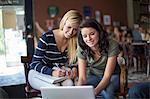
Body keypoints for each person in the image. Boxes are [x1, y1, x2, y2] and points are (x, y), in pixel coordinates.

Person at [28, 10, 82, 90]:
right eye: (69, 27)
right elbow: (34, 63)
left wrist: (74, 68)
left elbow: (73, 62)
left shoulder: (74, 41)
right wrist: (52, 72)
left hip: (59, 75)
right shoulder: (47, 37)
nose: (71, 32)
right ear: (63, 23)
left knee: (70, 84)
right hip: (39, 74)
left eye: (75, 29)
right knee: (55, 88)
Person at [77, 19, 120, 99]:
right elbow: (82, 78)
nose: (88, 39)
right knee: (82, 91)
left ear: (99, 32)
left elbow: (107, 76)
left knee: (108, 94)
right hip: (93, 75)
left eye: (92, 34)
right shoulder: (82, 48)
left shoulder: (112, 44)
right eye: (85, 36)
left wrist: (95, 92)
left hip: (112, 75)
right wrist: (79, 93)